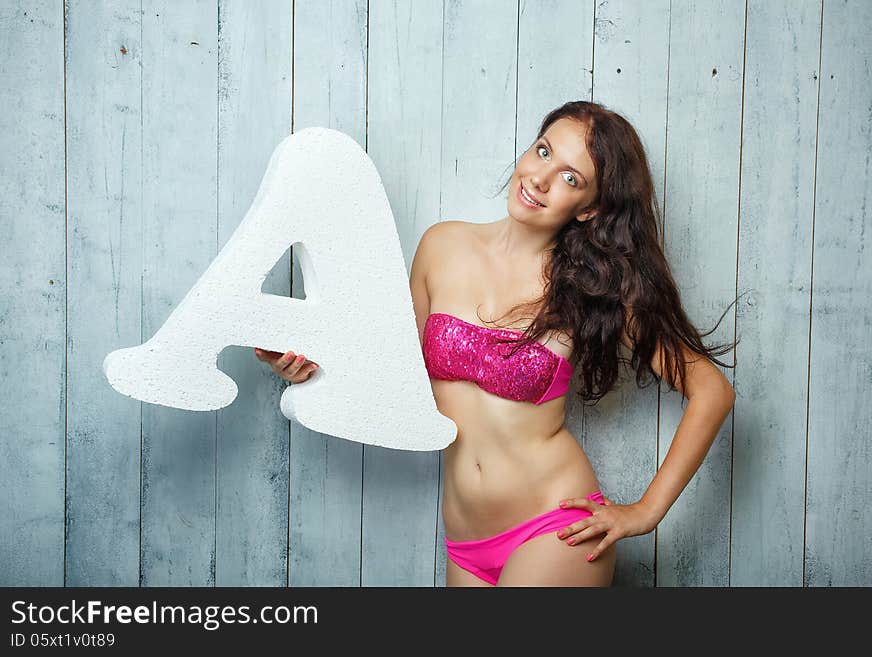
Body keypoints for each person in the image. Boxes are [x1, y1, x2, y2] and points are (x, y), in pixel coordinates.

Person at [255, 100, 738, 587]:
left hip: (555, 528)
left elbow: (711, 391)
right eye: (544, 151)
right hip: (466, 542)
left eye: (571, 178)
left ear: (590, 207)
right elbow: (393, 376)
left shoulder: (593, 286)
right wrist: (308, 369)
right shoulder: (442, 246)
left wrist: (645, 512)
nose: (542, 178)